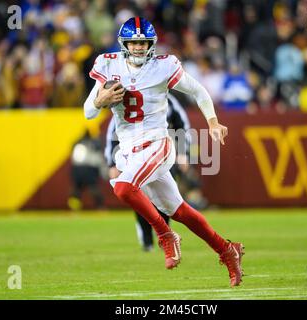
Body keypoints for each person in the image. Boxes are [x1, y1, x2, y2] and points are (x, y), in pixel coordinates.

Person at [84, 17, 244, 286]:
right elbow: (89, 111)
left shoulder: (163, 66)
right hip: (129, 150)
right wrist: (101, 100)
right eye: (133, 42)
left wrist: (213, 121)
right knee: (179, 210)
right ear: (124, 44)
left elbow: (198, 90)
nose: (138, 47)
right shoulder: (107, 63)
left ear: (151, 44)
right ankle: (228, 251)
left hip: (158, 143)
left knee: (123, 187)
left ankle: (165, 234)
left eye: (143, 42)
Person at [105, 94, 192, 252]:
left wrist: (183, 152)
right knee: (140, 197)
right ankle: (147, 239)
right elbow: (113, 132)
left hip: (163, 154)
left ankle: (165, 237)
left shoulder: (169, 101)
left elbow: (182, 126)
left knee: (166, 201)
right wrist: (112, 162)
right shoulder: (128, 98)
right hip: (135, 155)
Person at [68, 130, 106, 210]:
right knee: (93, 188)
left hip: (77, 168)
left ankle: (74, 207)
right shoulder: (94, 143)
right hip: (89, 168)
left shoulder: (77, 143)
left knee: (76, 189)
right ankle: (100, 207)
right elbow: (98, 158)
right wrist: (102, 171)